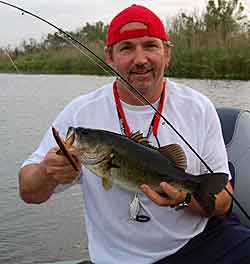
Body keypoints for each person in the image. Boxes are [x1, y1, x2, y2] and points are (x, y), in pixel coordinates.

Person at [19, 4, 250, 264]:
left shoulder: (198, 107)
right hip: (121, 258)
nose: (140, 59)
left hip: (201, 241)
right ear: (109, 56)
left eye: (150, 45)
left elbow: (221, 203)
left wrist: (185, 198)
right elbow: (28, 192)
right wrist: (46, 173)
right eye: (126, 48)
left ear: (167, 54)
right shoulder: (80, 113)